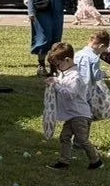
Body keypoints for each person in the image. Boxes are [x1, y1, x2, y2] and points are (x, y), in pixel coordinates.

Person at [41, 41, 103, 169]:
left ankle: (96, 161)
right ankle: (64, 161)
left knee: (82, 140)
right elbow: (62, 83)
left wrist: (56, 85)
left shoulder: (75, 77)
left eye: (58, 64)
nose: (58, 68)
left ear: (67, 60)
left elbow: (70, 94)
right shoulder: (65, 74)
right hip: (71, 115)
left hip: (79, 115)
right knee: (64, 137)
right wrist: (55, 80)